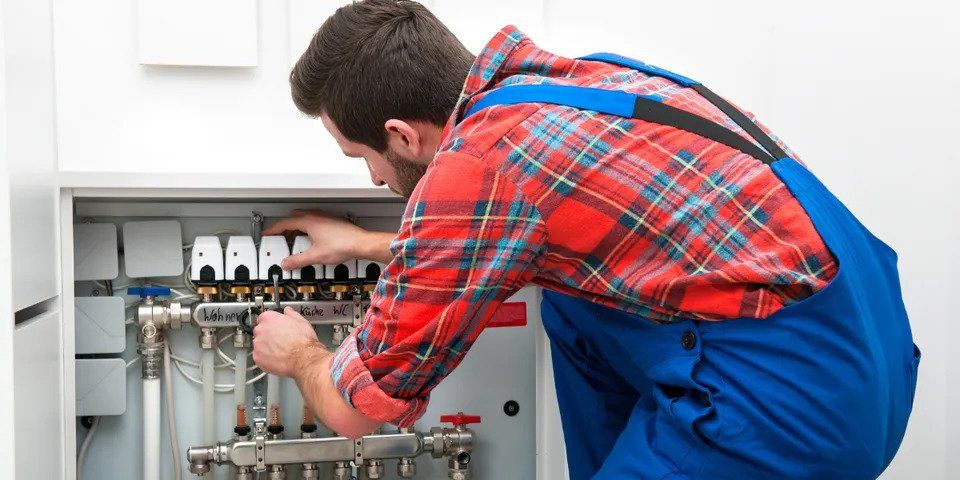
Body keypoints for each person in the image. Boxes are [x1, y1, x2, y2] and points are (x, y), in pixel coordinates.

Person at [251, 1, 920, 478]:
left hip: (791, 409)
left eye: (357, 157)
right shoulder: (571, 83)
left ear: (401, 134)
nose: (371, 180)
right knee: (570, 302)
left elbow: (355, 412)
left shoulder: (478, 165)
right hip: (869, 345)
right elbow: (509, 239)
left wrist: (303, 354)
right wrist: (369, 247)